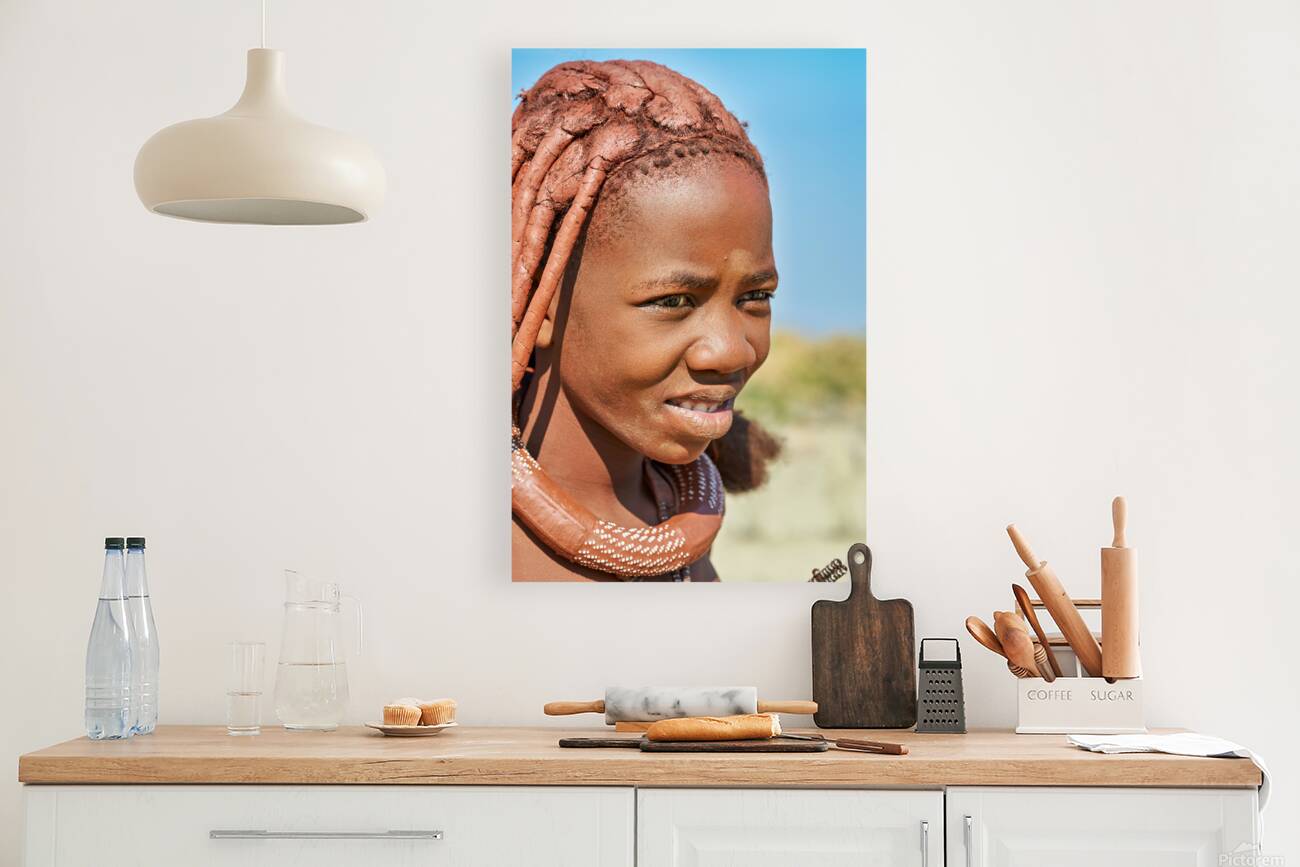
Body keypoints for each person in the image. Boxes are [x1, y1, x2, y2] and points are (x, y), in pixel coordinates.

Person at [511, 59, 780, 582]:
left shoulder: (673, 518)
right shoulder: (453, 545)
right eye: (674, 301)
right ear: (539, 302)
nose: (732, 351)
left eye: (755, 296)